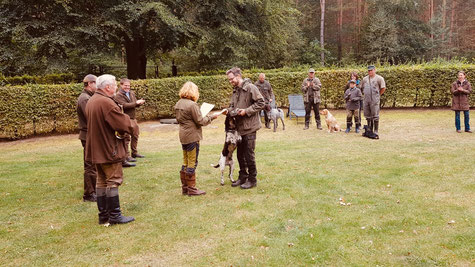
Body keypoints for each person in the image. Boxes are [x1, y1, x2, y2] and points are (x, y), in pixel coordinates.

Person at [85, 74, 135, 225]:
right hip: (108, 149)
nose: (116, 87)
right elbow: (123, 124)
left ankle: (104, 215)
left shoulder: (92, 100)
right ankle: (114, 215)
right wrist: (132, 125)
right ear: (107, 87)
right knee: (113, 180)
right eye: (114, 85)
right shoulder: (106, 102)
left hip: (96, 148)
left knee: (101, 181)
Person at [174, 81, 218, 196]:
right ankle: (192, 189)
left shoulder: (178, 103)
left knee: (185, 161)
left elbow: (180, 120)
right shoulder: (192, 105)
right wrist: (211, 117)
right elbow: (200, 121)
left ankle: (185, 188)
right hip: (192, 136)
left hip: (183, 135)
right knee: (192, 162)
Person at [226, 67, 265, 189]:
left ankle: (252, 179)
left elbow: (261, 103)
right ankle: (243, 176)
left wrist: (246, 111)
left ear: (238, 76)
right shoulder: (235, 91)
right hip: (239, 128)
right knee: (240, 154)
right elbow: (233, 106)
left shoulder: (251, 88)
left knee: (249, 154)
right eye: (229, 80)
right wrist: (228, 111)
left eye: (231, 79)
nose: (230, 81)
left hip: (250, 127)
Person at [114, 78, 146, 168]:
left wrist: (139, 103)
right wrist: (136, 103)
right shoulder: (118, 95)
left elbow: (134, 104)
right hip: (125, 119)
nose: (127, 87)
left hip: (133, 118)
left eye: (128, 85)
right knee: (126, 138)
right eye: (125, 85)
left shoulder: (131, 93)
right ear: (121, 85)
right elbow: (124, 105)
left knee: (135, 135)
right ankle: (127, 156)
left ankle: (134, 153)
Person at [76, 74, 98, 202]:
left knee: (92, 163)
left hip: (89, 135)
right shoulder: (84, 99)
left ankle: (93, 191)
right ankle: (89, 194)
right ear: (89, 84)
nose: (98, 85)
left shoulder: (88, 97)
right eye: (96, 83)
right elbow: (91, 117)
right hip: (87, 135)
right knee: (90, 164)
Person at [360, 65, 386, 138]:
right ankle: (369, 129)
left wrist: (378, 95)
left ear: (374, 70)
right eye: (369, 71)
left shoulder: (379, 78)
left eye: (371, 70)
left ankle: (376, 130)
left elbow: (383, 88)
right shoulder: (365, 79)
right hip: (366, 99)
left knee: (375, 115)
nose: (370, 72)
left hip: (375, 99)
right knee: (368, 116)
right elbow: (361, 88)